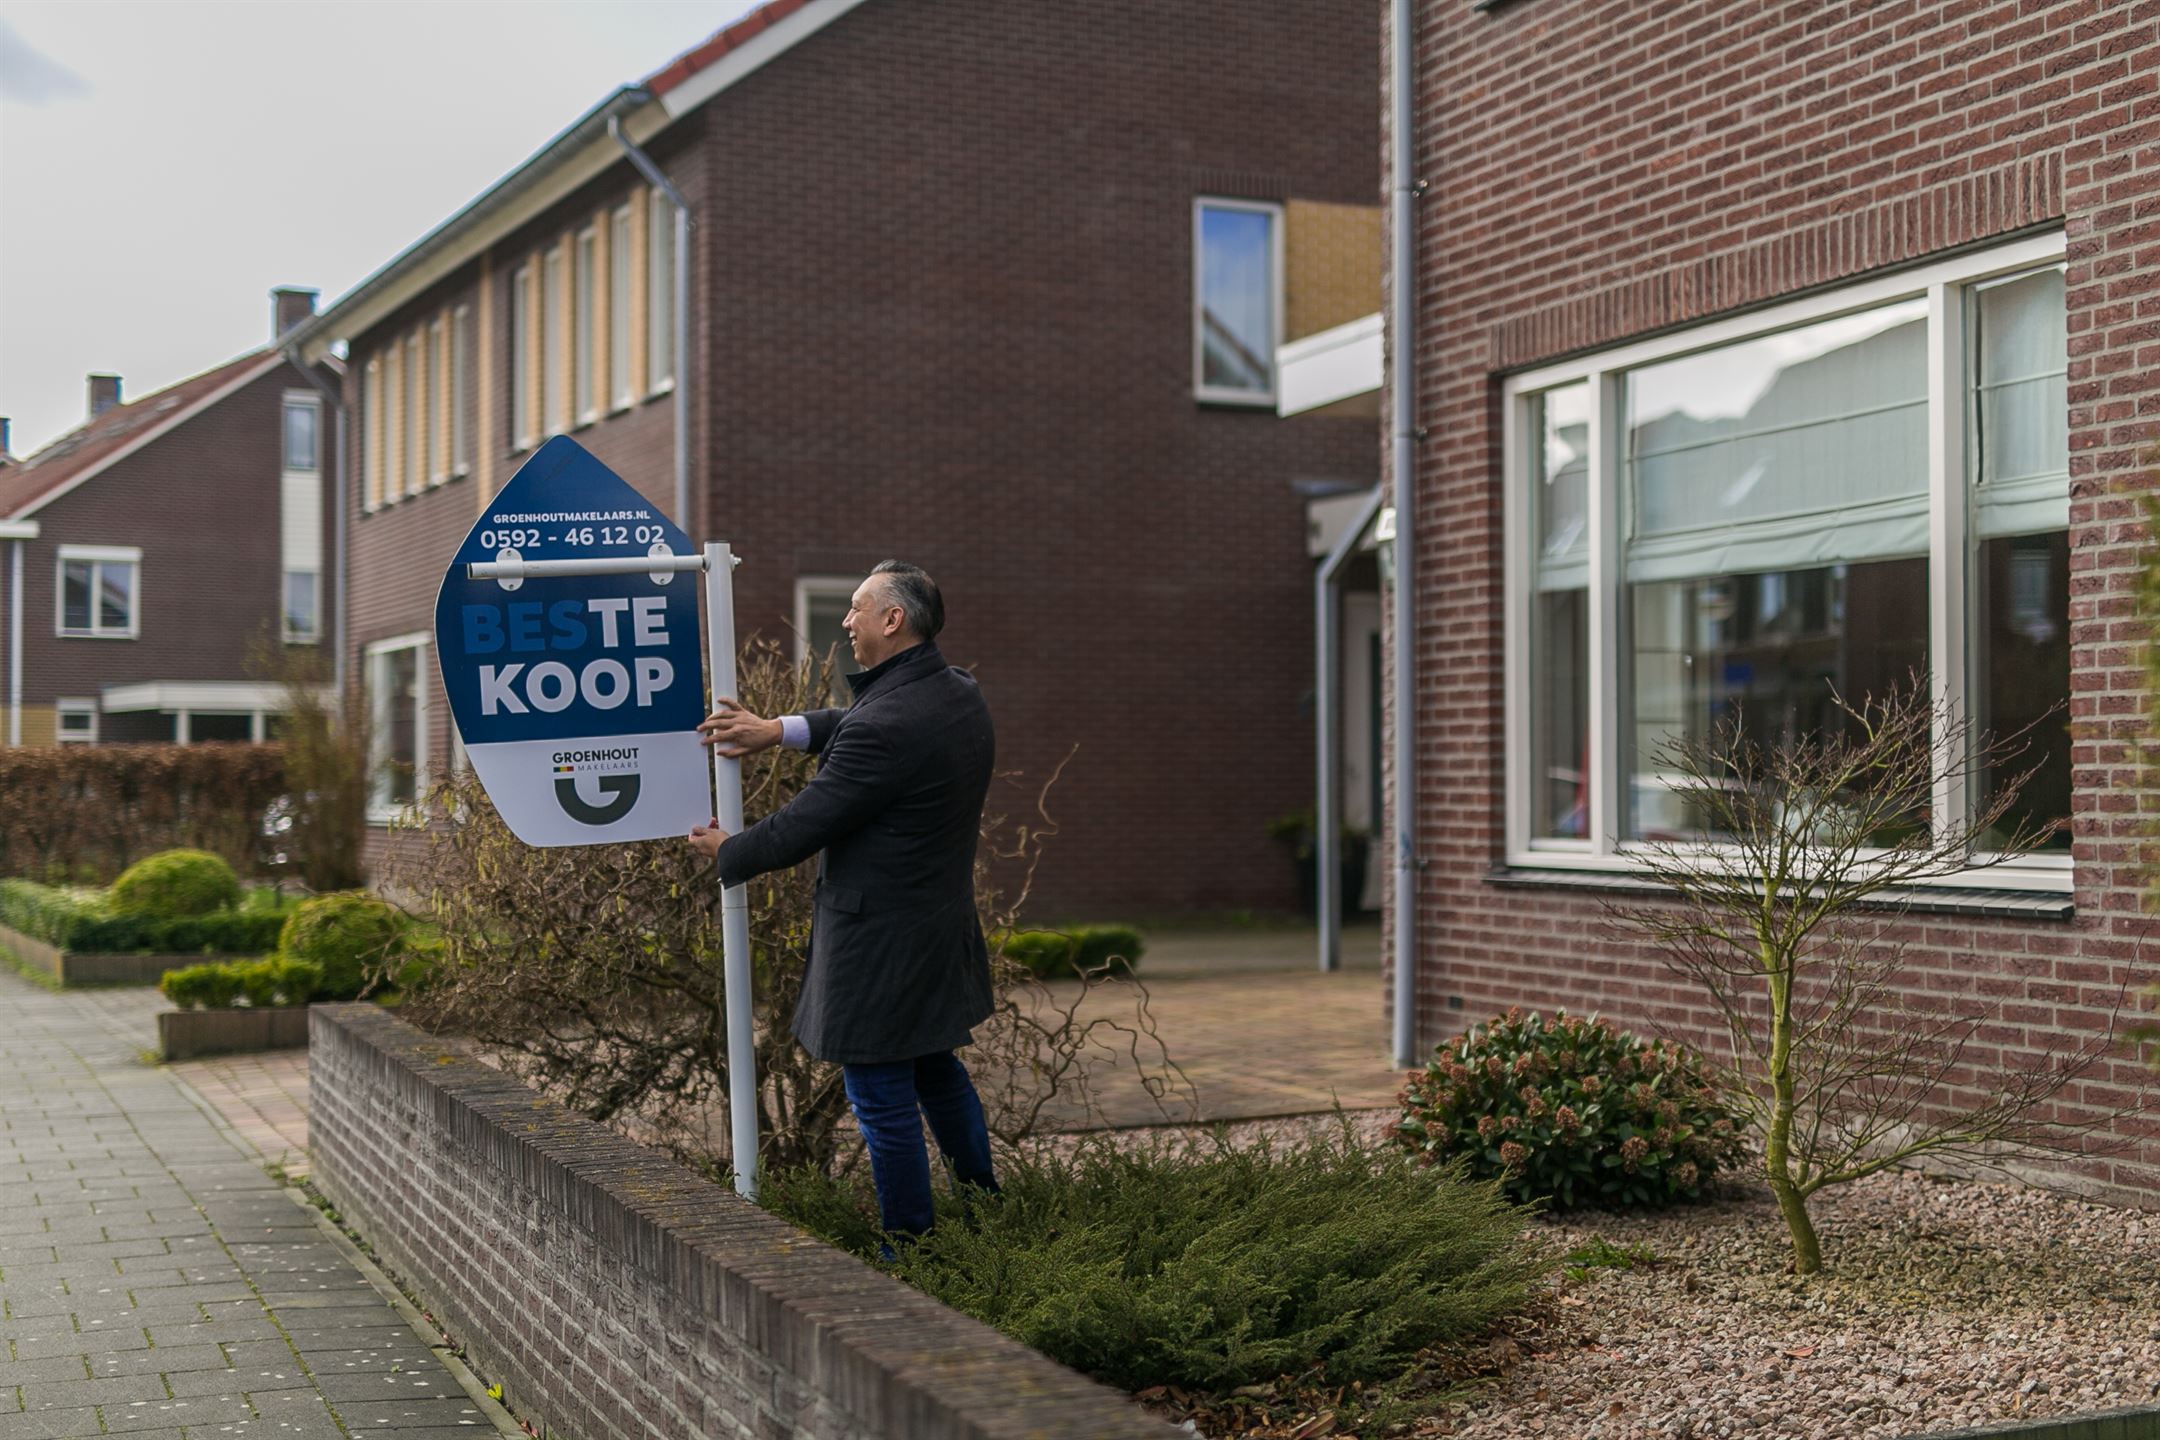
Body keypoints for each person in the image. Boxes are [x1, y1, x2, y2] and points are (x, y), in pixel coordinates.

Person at [688, 560, 999, 1244]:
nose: (848, 622)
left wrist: (727, 852)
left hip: (878, 946)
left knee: (882, 1099)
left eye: (858, 610)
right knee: (938, 1074)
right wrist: (780, 728)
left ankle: (910, 1249)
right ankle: (989, 1212)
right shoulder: (957, 693)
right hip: (936, 931)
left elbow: (801, 826)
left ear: (894, 621)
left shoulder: (885, 726)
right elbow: (860, 721)